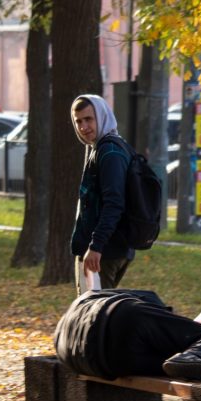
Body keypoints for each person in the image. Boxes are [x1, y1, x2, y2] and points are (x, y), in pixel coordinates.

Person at [54, 289, 201, 381]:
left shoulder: (77, 307)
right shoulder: (138, 306)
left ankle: (196, 358)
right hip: (119, 324)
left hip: (82, 357)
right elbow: (150, 299)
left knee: (169, 361)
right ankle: (198, 355)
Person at [70, 94, 134, 293]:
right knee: (95, 314)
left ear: (102, 116)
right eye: (78, 121)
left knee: (92, 316)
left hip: (104, 251)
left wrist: (96, 246)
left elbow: (114, 203)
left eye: (89, 119)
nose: (83, 127)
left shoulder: (109, 152)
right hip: (105, 248)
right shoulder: (100, 147)